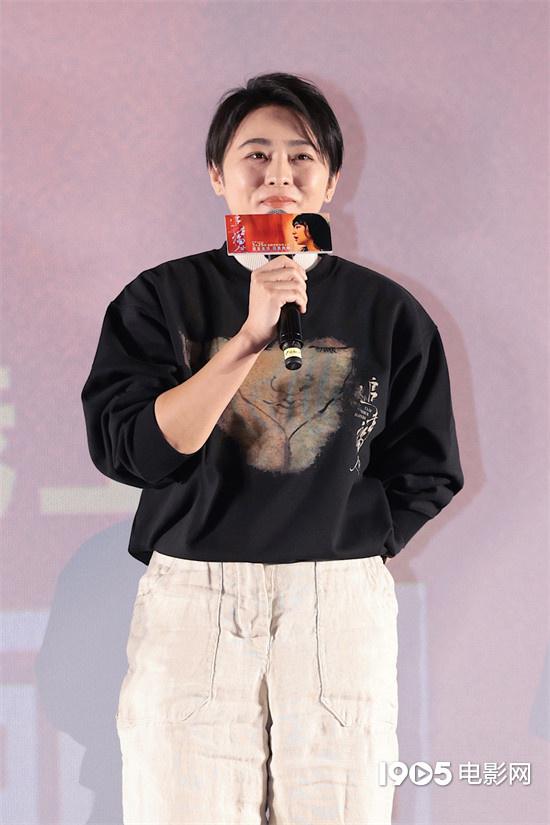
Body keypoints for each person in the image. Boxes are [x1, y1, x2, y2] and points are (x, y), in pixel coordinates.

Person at [81, 71, 464, 825]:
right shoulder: (160, 299)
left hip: (334, 604)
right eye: (255, 155)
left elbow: (428, 464)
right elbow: (135, 452)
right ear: (216, 174)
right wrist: (249, 338)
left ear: (332, 181)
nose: (278, 175)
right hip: (195, 599)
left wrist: (351, 535)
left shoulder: (387, 311)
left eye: (301, 157)